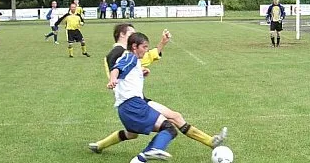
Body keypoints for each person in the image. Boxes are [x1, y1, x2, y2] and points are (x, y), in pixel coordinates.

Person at [89, 23, 227, 155]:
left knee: (135, 132)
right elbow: (117, 70)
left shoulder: (127, 53)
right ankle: (208, 142)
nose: (135, 34)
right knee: (170, 122)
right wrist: (115, 79)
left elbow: (141, 61)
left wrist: (141, 69)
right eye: (132, 32)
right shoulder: (117, 52)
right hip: (132, 101)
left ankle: (99, 145)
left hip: (135, 99)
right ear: (122, 35)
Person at [107, 32, 179, 163]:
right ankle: (150, 152)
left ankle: (140, 159)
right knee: (169, 128)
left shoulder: (133, 60)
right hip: (133, 106)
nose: (146, 50)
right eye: (144, 47)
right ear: (134, 46)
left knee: (167, 129)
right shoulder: (130, 57)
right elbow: (116, 69)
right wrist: (112, 79)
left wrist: (141, 74)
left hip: (125, 109)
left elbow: (124, 74)